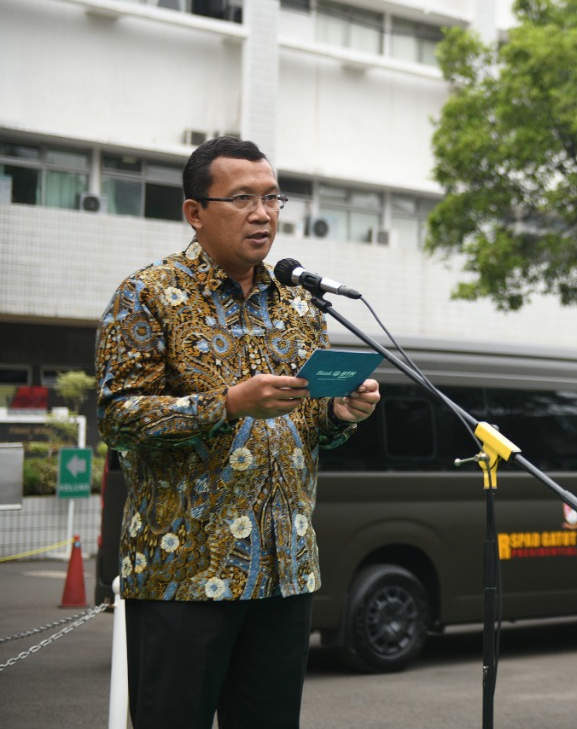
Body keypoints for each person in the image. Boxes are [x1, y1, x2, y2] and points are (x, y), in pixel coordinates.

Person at [95, 137, 381, 729]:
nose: (263, 213)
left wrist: (339, 417)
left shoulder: (300, 305)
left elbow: (307, 430)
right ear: (195, 212)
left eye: (273, 198)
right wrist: (226, 405)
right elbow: (119, 418)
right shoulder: (148, 295)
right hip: (186, 574)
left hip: (287, 570)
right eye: (243, 198)